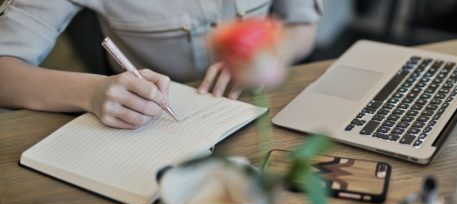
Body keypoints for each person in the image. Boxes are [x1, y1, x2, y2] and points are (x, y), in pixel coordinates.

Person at [0, 0, 322, 128]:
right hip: (149, 127)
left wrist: (274, 52)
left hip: (264, 112)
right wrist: (91, 91)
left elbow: (303, 26)